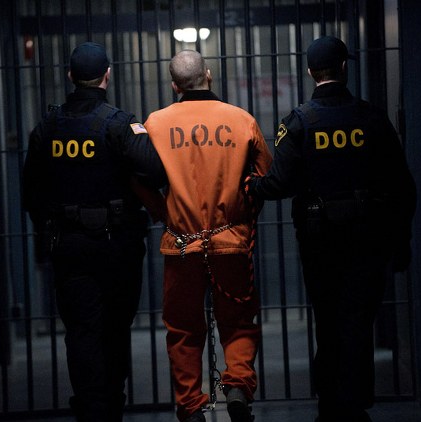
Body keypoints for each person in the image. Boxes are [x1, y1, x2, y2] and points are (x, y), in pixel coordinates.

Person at [246, 36, 416, 422]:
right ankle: (355, 404)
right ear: (343, 67)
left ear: (310, 72)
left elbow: (279, 183)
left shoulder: (299, 122)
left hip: (319, 239)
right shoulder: (371, 118)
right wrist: (401, 241)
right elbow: (402, 186)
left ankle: (330, 406)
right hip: (368, 238)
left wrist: (250, 186)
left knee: (328, 319)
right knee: (358, 320)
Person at [22, 41, 166, 422]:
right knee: (116, 327)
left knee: (81, 330)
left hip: (70, 247)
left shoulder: (47, 128)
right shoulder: (119, 124)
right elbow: (155, 171)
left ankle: (91, 409)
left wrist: (51, 231)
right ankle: (111, 402)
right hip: (117, 246)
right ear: (108, 75)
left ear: (70, 76)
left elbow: (31, 192)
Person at [143, 50, 273, 422]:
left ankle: (190, 406)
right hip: (230, 241)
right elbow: (264, 178)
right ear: (209, 75)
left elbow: (139, 178)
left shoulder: (156, 124)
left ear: (174, 85)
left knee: (183, 327)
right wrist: (242, 218)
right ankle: (238, 387)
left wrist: (163, 212)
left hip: (181, 245)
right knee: (239, 320)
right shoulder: (241, 120)